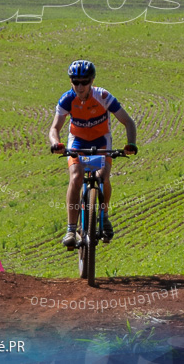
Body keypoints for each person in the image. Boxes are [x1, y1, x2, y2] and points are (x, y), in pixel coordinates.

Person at [48, 60, 137, 249]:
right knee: (76, 176)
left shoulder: (103, 96)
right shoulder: (66, 99)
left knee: (103, 176)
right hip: (78, 141)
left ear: (92, 81)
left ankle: (104, 217)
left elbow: (128, 122)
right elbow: (54, 128)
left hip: (101, 141)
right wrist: (56, 143)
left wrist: (131, 144)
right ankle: (71, 229)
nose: (80, 86)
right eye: (75, 82)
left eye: (84, 82)